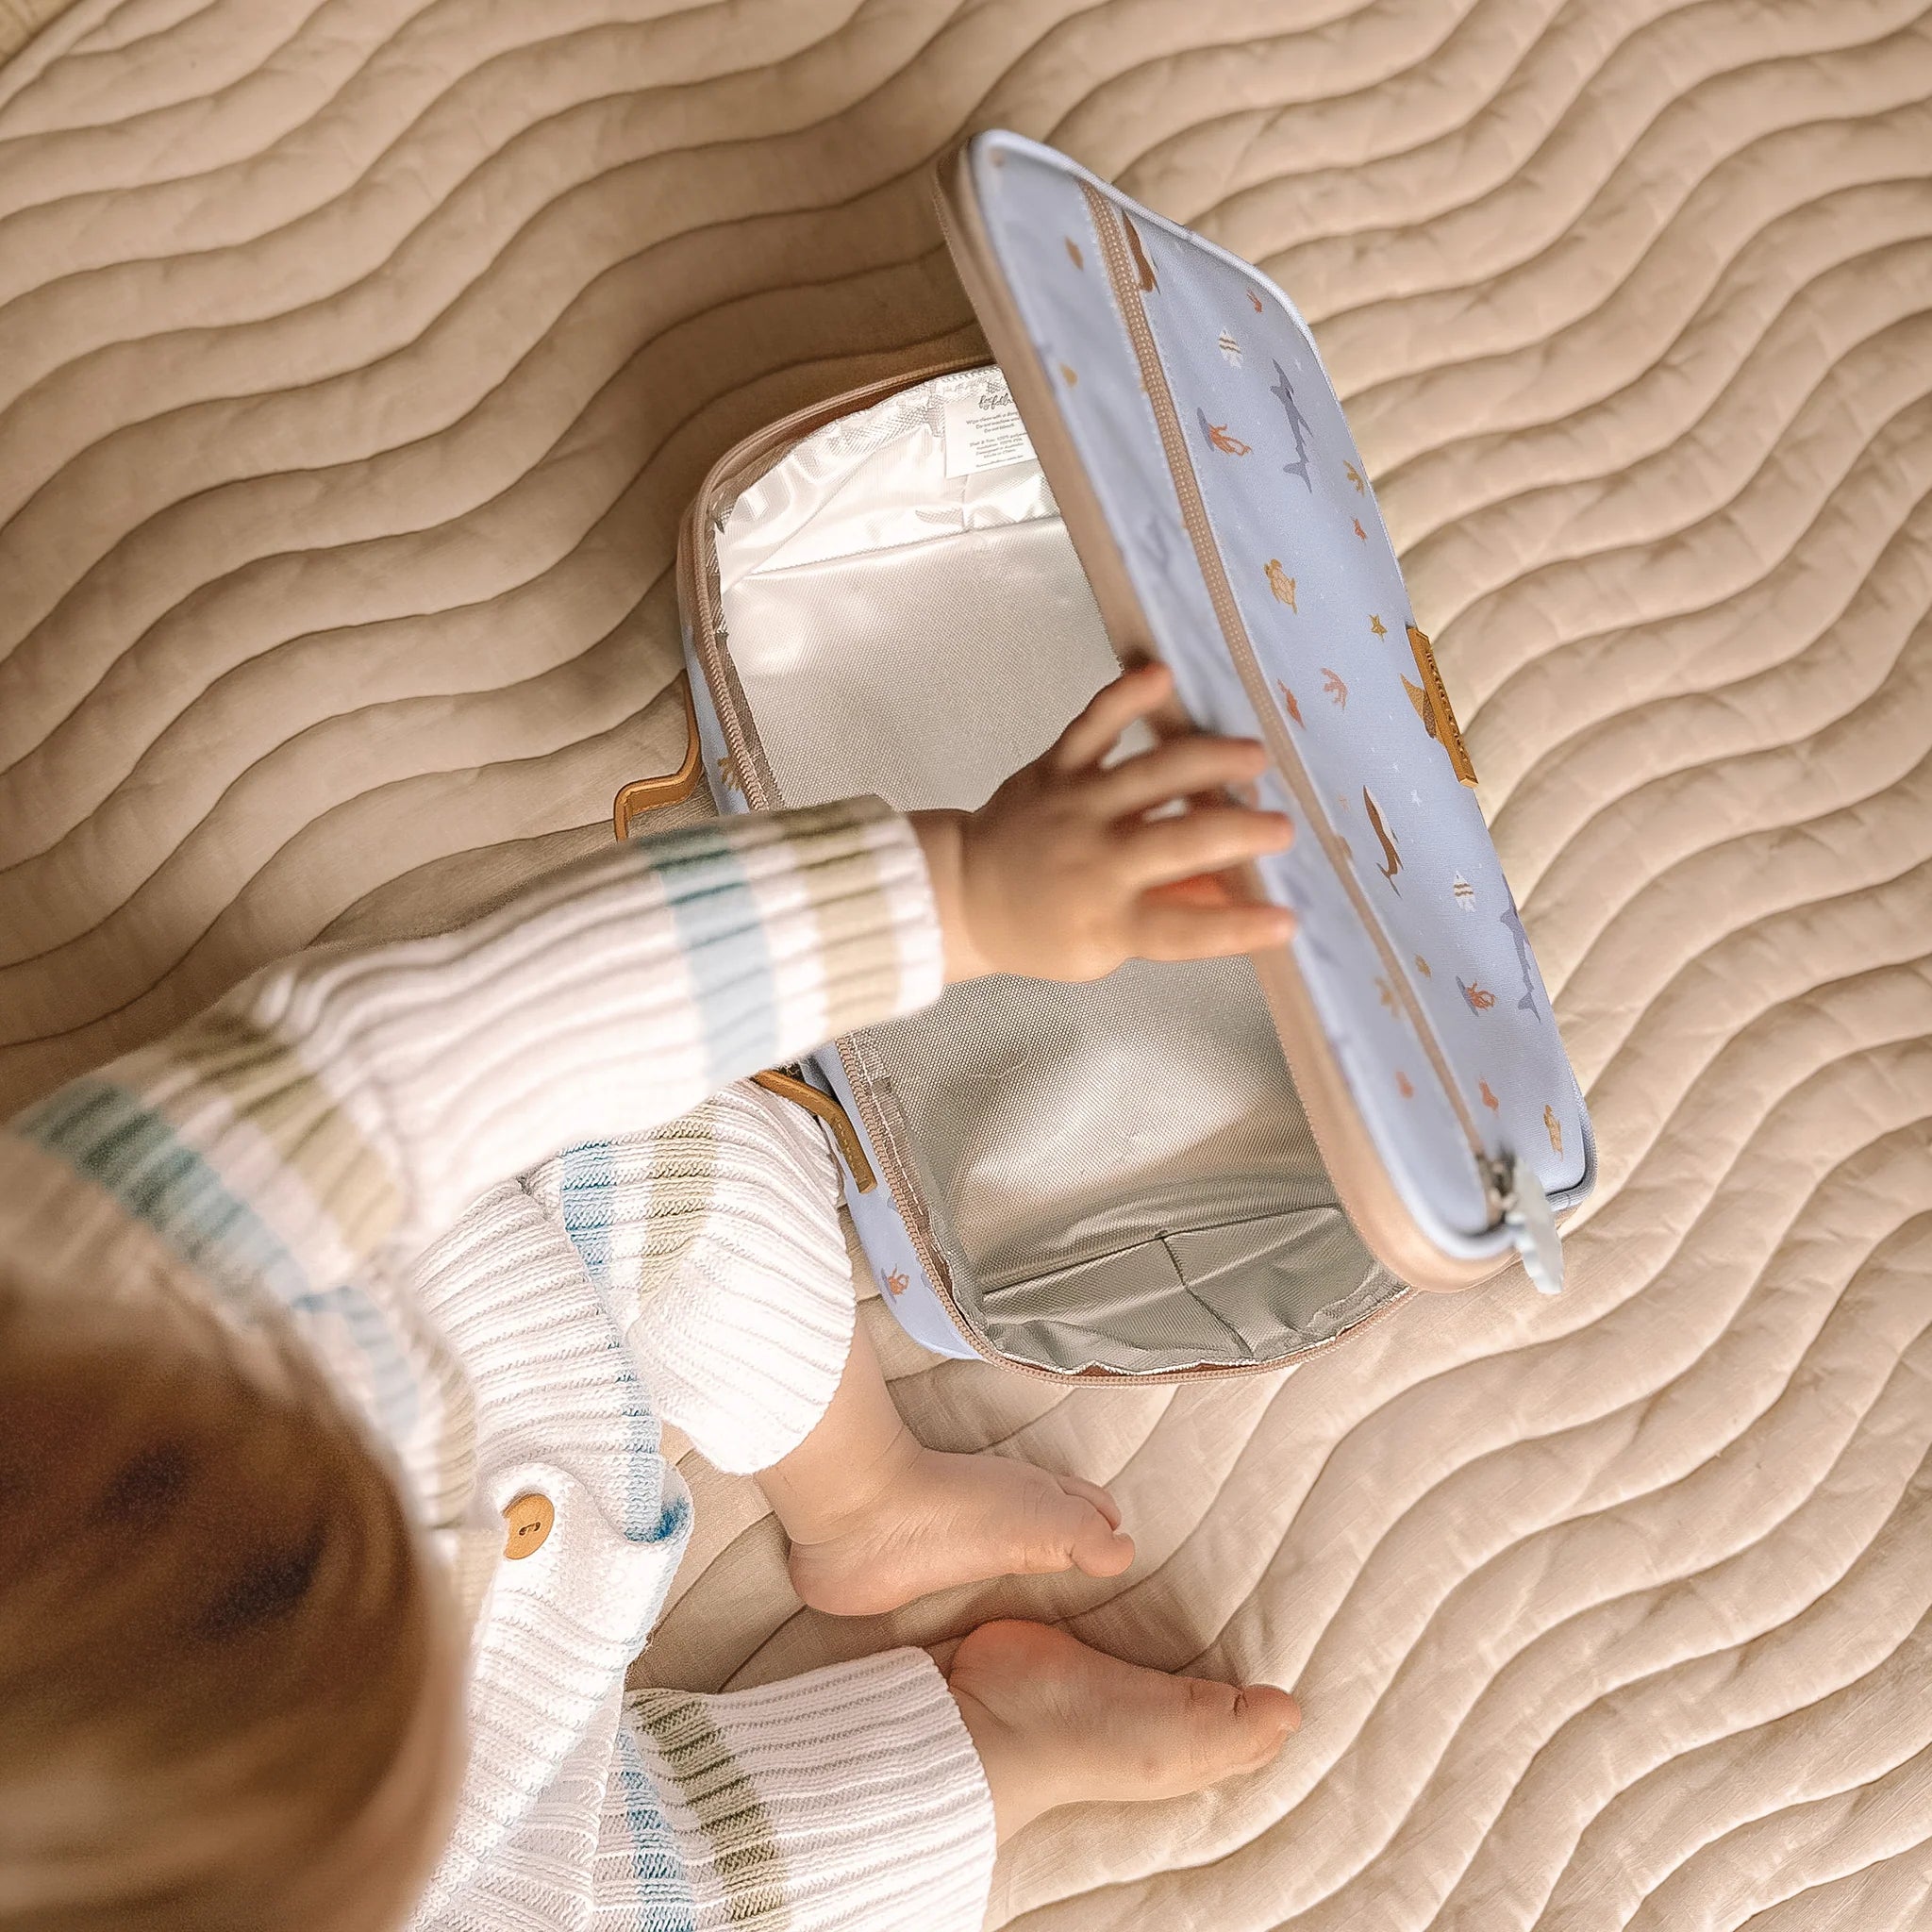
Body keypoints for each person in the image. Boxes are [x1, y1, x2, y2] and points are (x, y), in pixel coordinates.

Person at [0, 663, 1306, 1932]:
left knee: (674, 1137)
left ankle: (865, 1498)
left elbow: (475, 1025)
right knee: (688, 1887)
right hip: (491, 1828)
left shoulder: (132, 1229)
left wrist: (956, 891)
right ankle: (995, 1750)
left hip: (490, 1309)